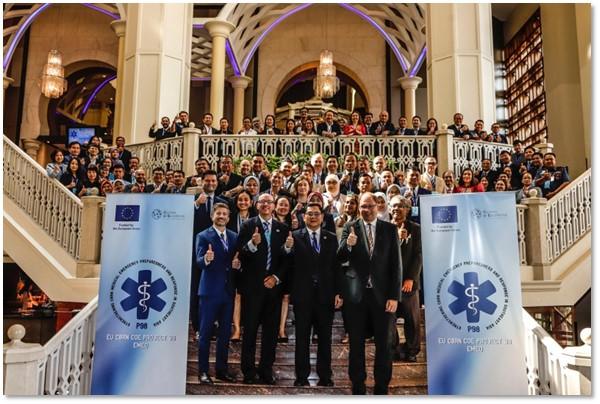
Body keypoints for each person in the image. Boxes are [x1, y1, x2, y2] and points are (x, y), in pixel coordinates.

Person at [337, 192, 401, 395]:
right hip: (357, 298)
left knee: (385, 345)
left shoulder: (390, 229)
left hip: (383, 298)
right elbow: (339, 259)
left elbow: (396, 266)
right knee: (356, 345)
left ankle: (381, 388)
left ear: (377, 206)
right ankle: (358, 386)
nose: (366, 210)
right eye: (362, 207)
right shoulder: (350, 227)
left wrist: (394, 296)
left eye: (369, 206)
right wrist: (349, 244)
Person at [284, 203, 343, 387]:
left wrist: (339, 292)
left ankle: (325, 376)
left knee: (325, 338)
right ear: (303, 217)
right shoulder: (294, 236)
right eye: (309, 214)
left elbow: (337, 267)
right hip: (303, 296)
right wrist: (287, 248)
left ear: (323, 217)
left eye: (316, 214)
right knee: (302, 338)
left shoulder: (331, 238)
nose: (313, 217)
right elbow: (286, 262)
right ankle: (301, 377)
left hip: (326, 296)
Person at [237, 193, 289, 385]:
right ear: (256, 205)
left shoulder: (283, 228)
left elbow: (286, 259)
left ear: (274, 206)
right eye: (262, 202)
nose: (266, 205)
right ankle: (248, 372)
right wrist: (252, 244)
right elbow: (240, 253)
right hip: (253, 288)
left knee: (270, 333)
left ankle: (266, 370)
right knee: (249, 331)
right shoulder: (248, 225)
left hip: (273, 289)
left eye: (269, 202)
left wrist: (276, 278)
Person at [195, 203, 241, 384]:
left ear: (229, 218)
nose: (221, 216)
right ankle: (203, 372)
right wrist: (206, 258)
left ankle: (222, 371)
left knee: (224, 334)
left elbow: (236, 260)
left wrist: (238, 265)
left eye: (224, 214)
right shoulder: (203, 236)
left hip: (228, 292)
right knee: (205, 334)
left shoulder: (234, 236)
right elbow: (198, 261)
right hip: (209, 291)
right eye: (218, 213)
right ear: (213, 216)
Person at [389, 196, 422, 364]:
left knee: (412, 319)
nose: (397, 209)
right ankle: (393, 348)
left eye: (401, 206)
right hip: (388, 284)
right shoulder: (384, 228)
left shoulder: (416, 229)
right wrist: (396, 238)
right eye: (394, 206)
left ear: (407, 210)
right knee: (389, 318)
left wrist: (410, 278)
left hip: (409, 283)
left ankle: (411, 350)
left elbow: (418, 255)